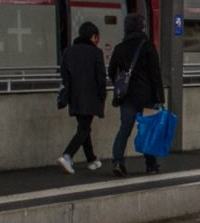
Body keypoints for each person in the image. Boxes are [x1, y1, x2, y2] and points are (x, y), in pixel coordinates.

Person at [109, 13, 164, 177]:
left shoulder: (120, 48)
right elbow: (155, 73)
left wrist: (121, 83)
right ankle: (150, 164)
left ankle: (118, 162)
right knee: (145, 130)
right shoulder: (147, 46)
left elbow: (112, 70)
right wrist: (159, 97)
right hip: (145, 96)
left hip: (126, 96)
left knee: (124, 129)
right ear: (141, 27)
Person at [56, 21, 107, 173]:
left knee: (83, 128)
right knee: (83, 129)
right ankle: (67, 155)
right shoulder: (96, 53)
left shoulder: (69, 51)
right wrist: (102, 97)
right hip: (91, 97)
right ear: (94, 36)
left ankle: (92, 159)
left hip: (74, 96)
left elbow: (64, 76)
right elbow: (101, 78)